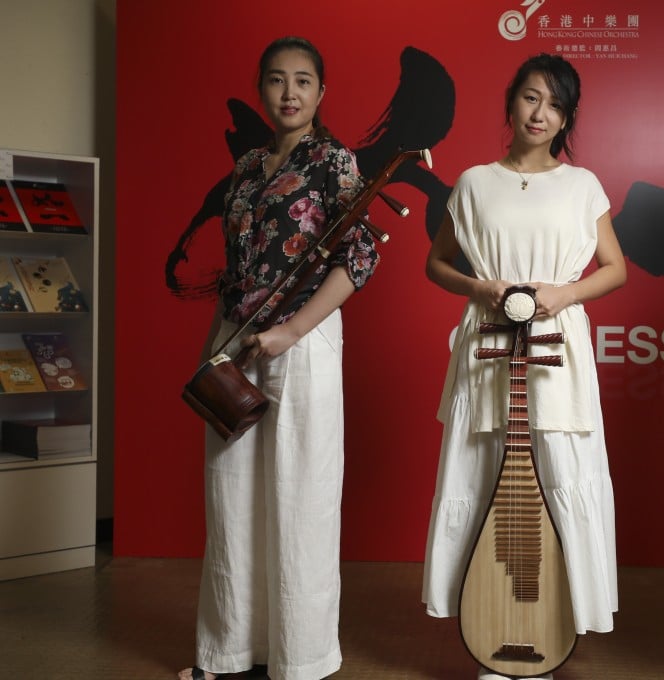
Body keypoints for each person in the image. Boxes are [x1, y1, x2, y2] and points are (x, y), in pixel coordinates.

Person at [178, 36, 379, 680]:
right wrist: (216, 347)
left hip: (304, 344)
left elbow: (362, 258)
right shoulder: (245, 170)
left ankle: (300, 660)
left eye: (302, 81)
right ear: (262, 90)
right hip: (237, 342)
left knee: (301, 497)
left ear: (322, 93)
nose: (288, 93)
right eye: (275, 81)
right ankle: (229, 653)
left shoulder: (333, 162)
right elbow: (236, 272)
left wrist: (291, 332)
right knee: (231, 498)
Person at [421, 53, 626, 680]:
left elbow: (616, 269)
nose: (542, 114)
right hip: (487, 344)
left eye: (556, 105)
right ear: (512, 103)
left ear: (567, 119)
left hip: (555, 350)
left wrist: (563, 295)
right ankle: (490, 627)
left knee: (559, 475)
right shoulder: (475, 182)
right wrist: (481, 288)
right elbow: (436, 265)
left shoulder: (583, 183)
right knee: (487, 479)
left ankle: (550, 627)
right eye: (532, 98)